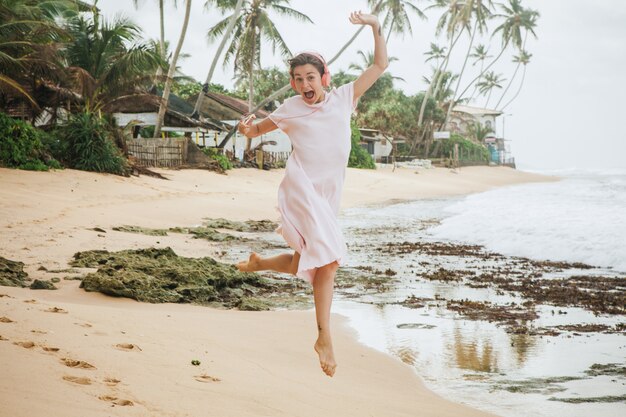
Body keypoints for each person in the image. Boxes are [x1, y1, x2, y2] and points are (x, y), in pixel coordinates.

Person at [236, 10, 388, 377]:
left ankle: (260, 264)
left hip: (328, 196)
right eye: (298, 79)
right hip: (302, 190)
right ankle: (324, 337)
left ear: (324, 78)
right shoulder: (289, 109)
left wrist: (375, 26)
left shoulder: (344, 98)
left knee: (312, 260)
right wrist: (246, 128)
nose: (305, 84)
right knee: (329, 263)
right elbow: (256, 131)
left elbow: (380, 64)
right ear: (292, 83)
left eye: (311, 77)